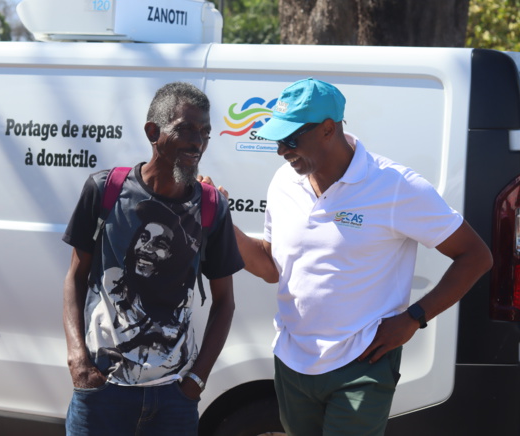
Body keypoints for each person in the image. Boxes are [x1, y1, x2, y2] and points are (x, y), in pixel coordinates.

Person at [207, 78, 493, 436]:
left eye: (290, 139)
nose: (281, 150)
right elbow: (269, 265)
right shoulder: (283, 182)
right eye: (277, 140)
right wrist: (221, 220)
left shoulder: (394, 186)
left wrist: (414, 318)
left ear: (329, 129)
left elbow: (476, 256)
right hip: (293, 363)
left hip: (362, 365)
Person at [62, 81, 244, 436]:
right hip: (102, 391)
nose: (198, 142)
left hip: (173, 399)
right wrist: (78, 358)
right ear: (153, 132)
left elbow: (225, 303)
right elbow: (75, 277)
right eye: (186, 129)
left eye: (205, 132)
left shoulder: (211, 207)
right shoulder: (105, 190)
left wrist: (196, 379)